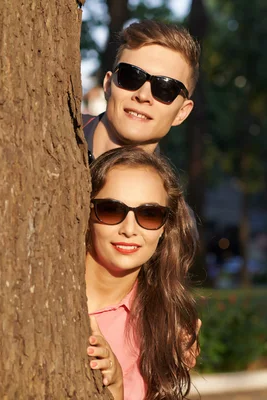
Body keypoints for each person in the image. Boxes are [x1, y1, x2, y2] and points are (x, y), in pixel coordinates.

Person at [85, 147, 201, 399]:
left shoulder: (164, 325)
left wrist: (115, 390)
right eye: (111, 209)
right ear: (87, 212)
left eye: (149, 214)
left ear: (164, 227)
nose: (129, 229)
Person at [83, 20, 200, 164]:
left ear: (182, 112)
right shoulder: (54, 133)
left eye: (164, 88)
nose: (143, 95)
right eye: (131, 77)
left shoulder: (162, 186)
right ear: (107, 84)